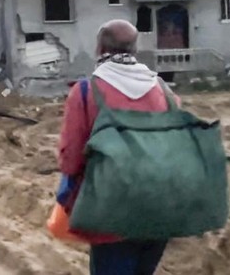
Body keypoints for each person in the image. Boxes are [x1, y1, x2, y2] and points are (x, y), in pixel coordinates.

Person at [58, 20, 176, 275]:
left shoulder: (86, 92)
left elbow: (70, 160)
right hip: (160, 211)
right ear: (135, 48)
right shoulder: (163, 90)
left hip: (112, 214)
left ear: (99, 47)